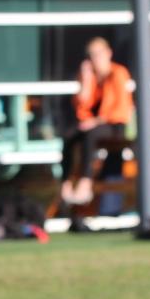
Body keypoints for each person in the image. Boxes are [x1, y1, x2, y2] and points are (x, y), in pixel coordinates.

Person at [59, 37, 134, 205]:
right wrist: (85, 81)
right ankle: (66, 183)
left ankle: (85, 183)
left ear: (108, 53)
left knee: (90, 135)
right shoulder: (89, 76)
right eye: (92, 55)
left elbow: (121, 109)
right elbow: (81, 106)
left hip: (114, 124)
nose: (95, 58)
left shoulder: (118, 73)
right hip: (92, 124)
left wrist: (97, 121)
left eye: (98, 54)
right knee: (69, 135)